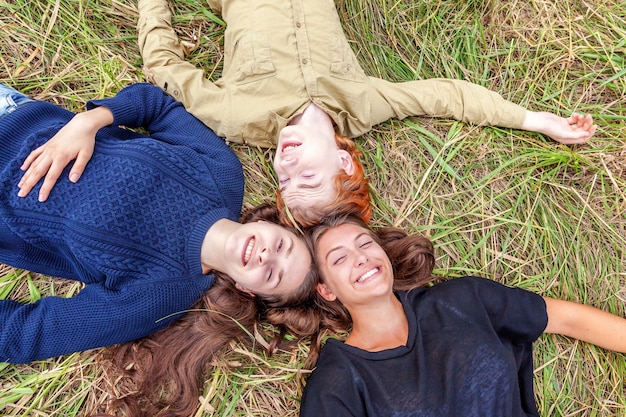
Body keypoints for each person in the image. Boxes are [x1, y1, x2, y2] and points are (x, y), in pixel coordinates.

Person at [136, 0, 597, 226]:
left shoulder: (236, 119)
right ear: (342, 162)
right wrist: (535, 120)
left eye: (283, 181)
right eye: (308, 179)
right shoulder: (363, 105)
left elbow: (162, 65)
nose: (286, 167)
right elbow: (447, 97)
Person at [0, 82, 314, 364]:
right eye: (282, 245)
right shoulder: (223, 174)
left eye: (272, 274)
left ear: (247, 290)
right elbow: (156, 106)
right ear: (275, 224)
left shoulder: (160, 297)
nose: (265, 255)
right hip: (15, 113)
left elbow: (26, 335)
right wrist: (87, 122)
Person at [299, 215, 626, 416]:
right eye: (339, 259)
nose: (360, 258)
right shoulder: (337, 382)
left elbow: (563, 318)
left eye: (364, 244)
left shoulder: (461, 300)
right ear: (326, 290)